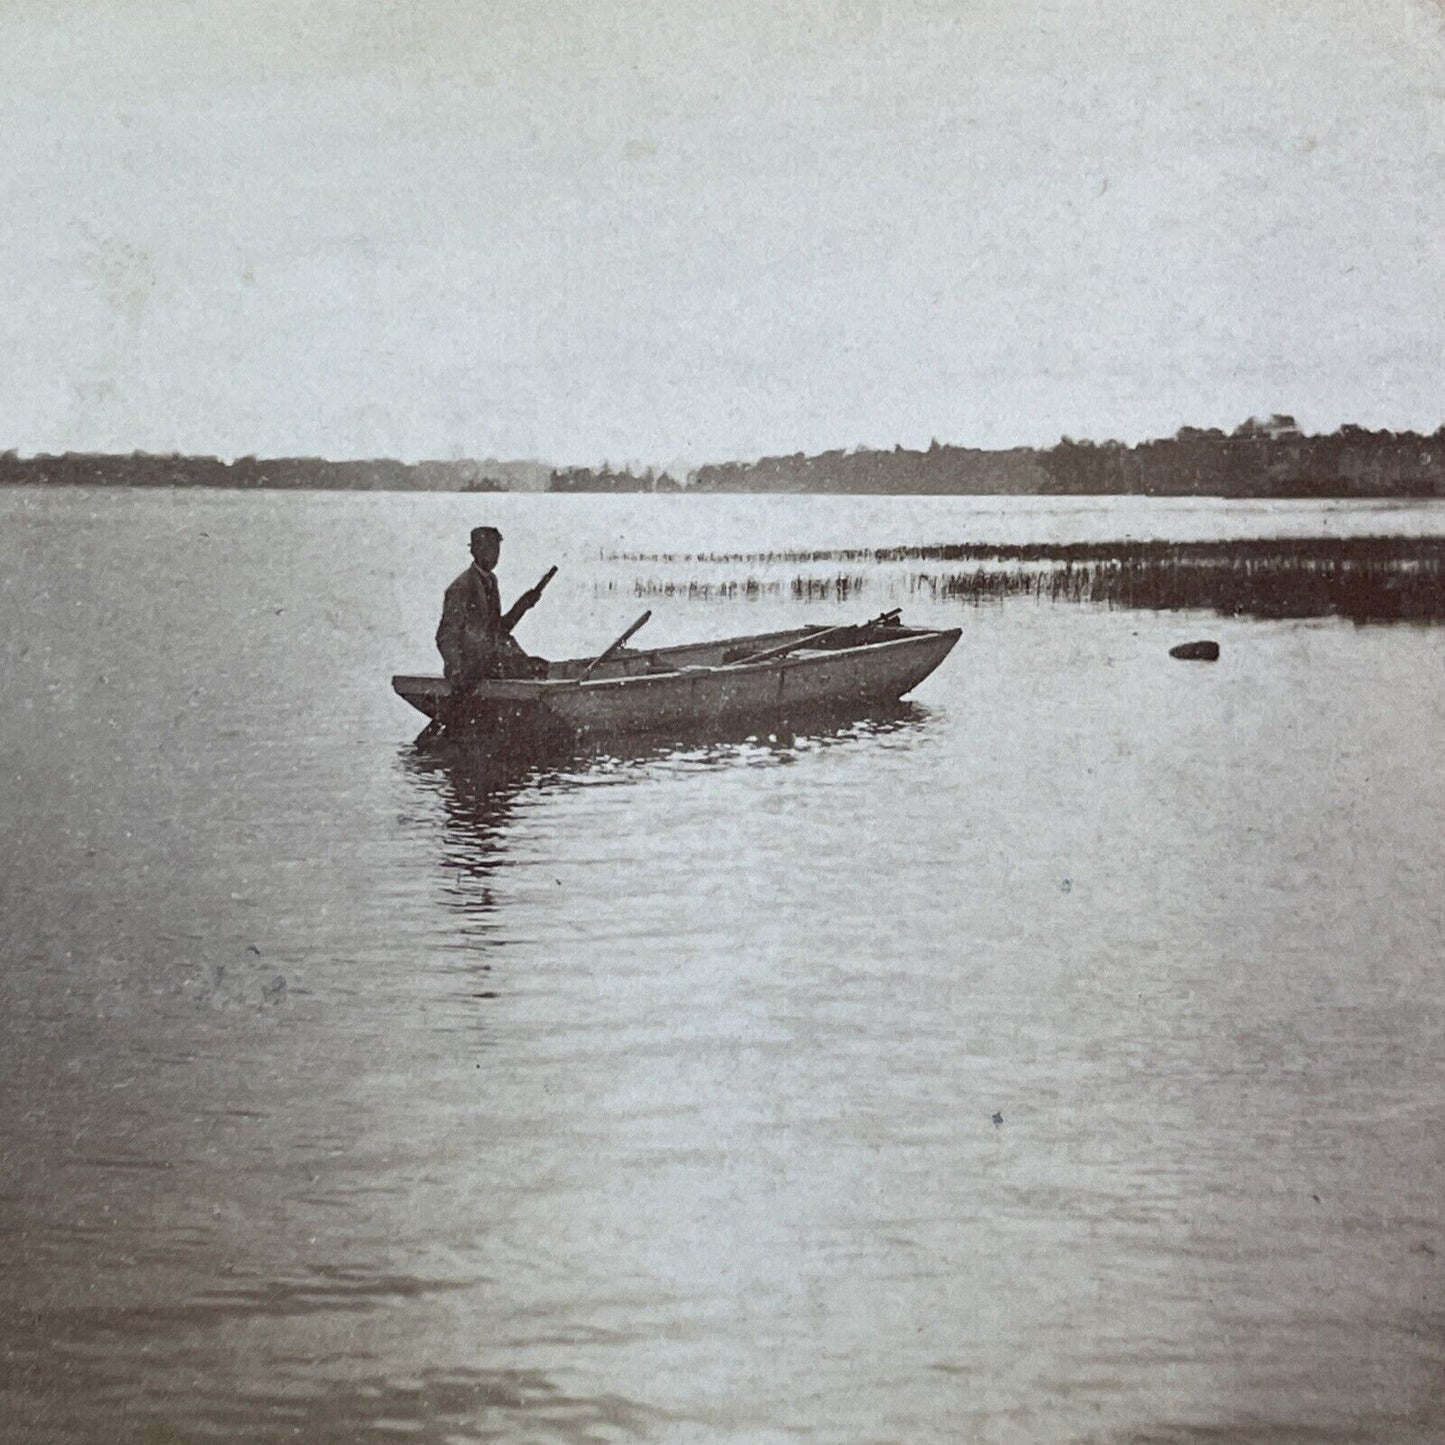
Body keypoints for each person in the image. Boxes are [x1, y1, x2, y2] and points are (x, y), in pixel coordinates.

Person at [436, 526, 550, 686]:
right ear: (474, 551)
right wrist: (458, 672)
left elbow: (498, 629)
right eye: (488, 548)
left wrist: (523, 605)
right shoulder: (461, 588)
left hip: (492, 664)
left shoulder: (491, 581)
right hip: (472, 671)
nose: (494, 555)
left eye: (496, 549)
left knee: (540, 668)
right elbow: (446, 637)